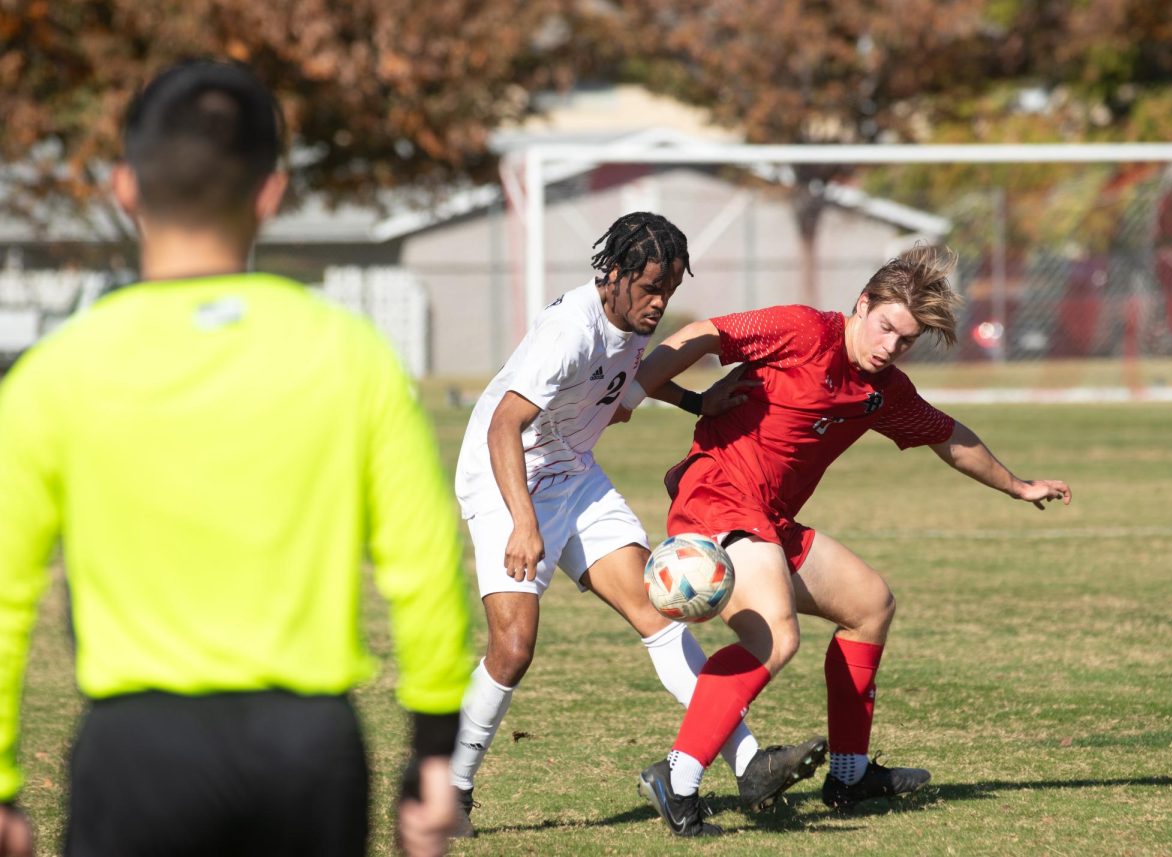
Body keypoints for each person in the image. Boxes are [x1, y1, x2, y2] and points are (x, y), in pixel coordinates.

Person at [0, 59, 474, 857]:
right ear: (271, 192)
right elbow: (426, 570)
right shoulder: (349, 354)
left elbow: (5, 593)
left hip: (136, 753)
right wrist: (431, 751)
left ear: (124, 188)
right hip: (307, 751)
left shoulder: (56, 372)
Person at [627, 244, 1073, 836]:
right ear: (861, 306)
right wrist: (661, 395)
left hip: (771, 518)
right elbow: (704, 334)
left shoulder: (884, 389)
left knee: (870, 604)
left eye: (906, 339)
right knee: (776, 638)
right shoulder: (801, 330)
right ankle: (678, 780)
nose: (890, 346)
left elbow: (948, 435)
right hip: (720, 497)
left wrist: (1017, 486)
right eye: (885, 326)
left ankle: (849, 773)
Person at [450, 212, 827, 835]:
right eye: (651, 288)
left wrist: (696, 401)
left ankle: (750, 762)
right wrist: (523, 524)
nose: (659, 305)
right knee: (513, 651)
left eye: (669, 293)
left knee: (660, 613)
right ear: (616, 273)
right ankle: (452, 789)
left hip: (573, 474)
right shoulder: (569, 332)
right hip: (506, 480)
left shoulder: (627, 324)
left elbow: (627, 382)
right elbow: (502, 425)